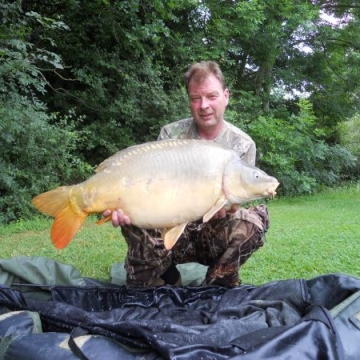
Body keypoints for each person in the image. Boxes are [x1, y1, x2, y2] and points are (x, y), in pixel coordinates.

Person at [104, 61, 270, 287]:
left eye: (212, 96)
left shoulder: (242, 144)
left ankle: (218, 283)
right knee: (135, 214)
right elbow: (152, 189)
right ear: (189, 101)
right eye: (196, 98)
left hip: (210, 233)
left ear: (226, 96)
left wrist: (227, 207)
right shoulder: (171, 134)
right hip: (170, 224)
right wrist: (125, 206)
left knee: (252, 221)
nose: (204, 105)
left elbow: (235, 205)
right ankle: (165, 274)